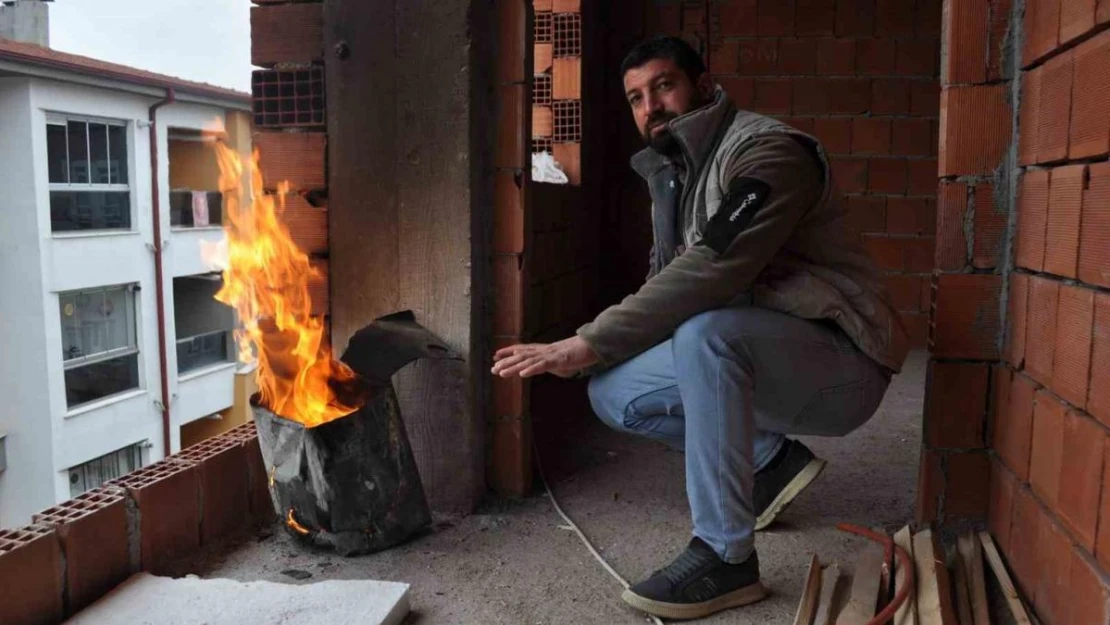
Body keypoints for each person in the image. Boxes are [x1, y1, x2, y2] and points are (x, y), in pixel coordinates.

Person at [492, 36, 909, 621]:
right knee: (613, 390)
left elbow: (713, 267)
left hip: (843, 366)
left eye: (664, 86)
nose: (650, 107)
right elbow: (665, 283)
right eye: (636, 98)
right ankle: (768, 464)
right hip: (766, 353)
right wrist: (597, 354)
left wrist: (586, 339)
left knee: (706, 335)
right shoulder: (676, 172)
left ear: (705, 85)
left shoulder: (769, 154)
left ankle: (726, 556)